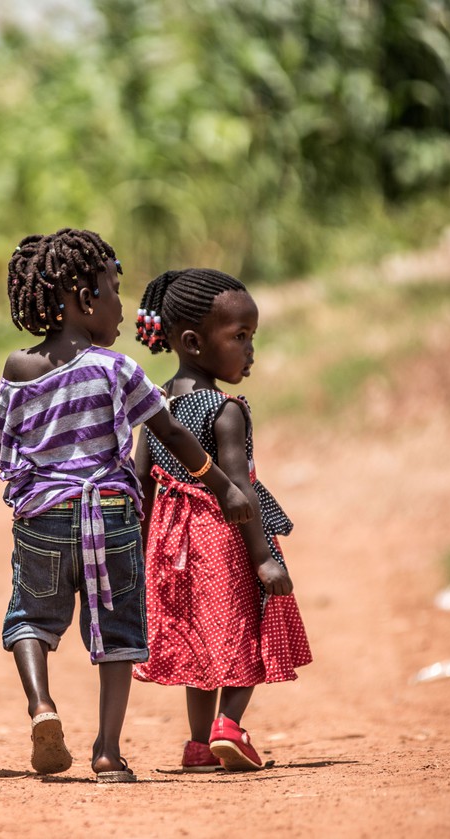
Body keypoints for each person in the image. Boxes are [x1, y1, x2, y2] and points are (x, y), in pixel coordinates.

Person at [0, 229, 252, 782]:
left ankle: (42, 705)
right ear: (83, 298)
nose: (122, 306)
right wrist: (222, 485)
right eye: (115, 291)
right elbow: (171, 434)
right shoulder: (117, 369)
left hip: (42, 516)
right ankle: (107, 751)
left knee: (31, 618)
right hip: (111, 515)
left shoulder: (20, 369)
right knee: (117, 634)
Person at [130, 268, 312, 772]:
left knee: (198, 636)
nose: (250, 350)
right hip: (223, 538)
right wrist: (262, 557)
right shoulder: (225, 409)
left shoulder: (157, 405)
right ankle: (229, 727)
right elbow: (240, 489)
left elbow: (141, 479)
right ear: (192, 342)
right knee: (246, 628)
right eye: (240, 337)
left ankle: (197, 744)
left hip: (171, 544)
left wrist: (140, 552)